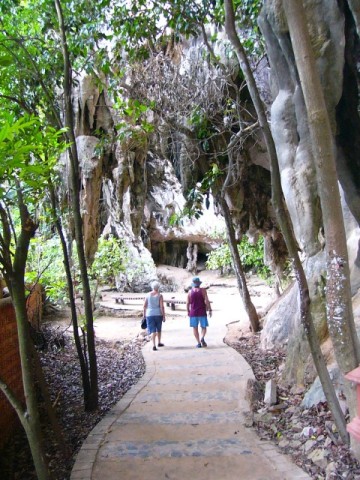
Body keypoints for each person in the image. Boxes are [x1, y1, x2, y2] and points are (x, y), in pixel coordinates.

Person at [186, 276, 212, 348]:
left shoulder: (190, 292)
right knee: (203, 326)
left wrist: (188, 311)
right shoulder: (203, 291)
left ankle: (198, 343)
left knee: (195, 328)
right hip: (202, 311)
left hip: (193, 312)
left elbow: (187, 303)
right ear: (199, 283)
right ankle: (202, 337)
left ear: (193, 284)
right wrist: (210, 309)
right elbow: (207, 301)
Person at [143, 281, 165, 351]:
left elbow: (144, 306)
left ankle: (154, 345)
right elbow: (162, 307)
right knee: (158, 329)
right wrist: (164, 315)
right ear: (158, 287)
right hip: (158, 314)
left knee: (153, 330)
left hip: (149, 314)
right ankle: (159, 342)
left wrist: (144, 315)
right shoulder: (160, 295)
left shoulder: (147, 295)